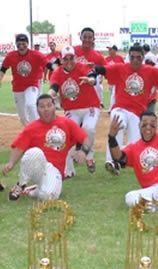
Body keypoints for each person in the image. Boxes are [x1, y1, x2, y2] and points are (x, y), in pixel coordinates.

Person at [92, 44, 158, 175]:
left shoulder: (150, 71)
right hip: (120, 108)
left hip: (137, 113)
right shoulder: (120, 68)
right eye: (132, 57)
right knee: (118, 123)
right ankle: (111, 161)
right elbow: (102, 69)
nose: (135, 60)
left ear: (143, 57)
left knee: (136, 145)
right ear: (129, 56)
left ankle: (122, 161)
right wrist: (92, 71)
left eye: (138, 57)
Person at [2, 94, 90, 201]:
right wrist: (11, 163)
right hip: (37, 166)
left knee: (48, 197)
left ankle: (33, 191)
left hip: (55, 170)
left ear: (54, 106)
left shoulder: (66, 123)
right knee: (35, 152)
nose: (46, 109)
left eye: (49, 105)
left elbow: (85, 138)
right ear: (37, 110)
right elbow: (19, 147)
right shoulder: (31, 127)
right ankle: (21, 184)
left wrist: (84, 151)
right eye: (42, 106)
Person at [48, 46, 100, 176]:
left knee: (89, 128)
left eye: (71, 58)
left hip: (90, 107)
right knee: (67, 136)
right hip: (71, 110)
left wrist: (91, 80)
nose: (69, 61)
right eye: (66, 59)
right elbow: (54, 87)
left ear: (75, 58)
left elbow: (92, 75)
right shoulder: (57, 73)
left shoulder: (81, 67)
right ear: (61, 60)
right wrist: (49, 95)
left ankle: (88, 155)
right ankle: (68, 170)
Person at [0, 34, 48, 126]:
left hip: (32, 85)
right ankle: (29, 130)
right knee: (22, 117)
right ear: (16, 44)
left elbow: (49, 65)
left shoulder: (36, 55)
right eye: (19, 44)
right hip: (17, 88)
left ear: (28, 44)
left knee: (31, 105)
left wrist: (59, 67)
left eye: (24, 44)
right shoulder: (11, 56)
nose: (21, 46)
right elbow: (3, 69)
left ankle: (38, 128)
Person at [75, 28, 107, 106]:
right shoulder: (73, 51)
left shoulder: (98, 56)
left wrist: (95, 67)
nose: (87, 40)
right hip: (76, 88)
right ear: (80, 38)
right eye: (85, 37)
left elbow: (108, 70)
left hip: (91, 90)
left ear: (93, 39)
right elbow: (60, 62)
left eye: (90, 38)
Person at [104, 45, 125, 111]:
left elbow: (124, 68)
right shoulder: (107, 59)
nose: (109, 51)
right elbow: (104, 69)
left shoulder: (120, 58)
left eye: (110, 49)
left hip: (118, 80)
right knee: (112, 94)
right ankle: (115, 107)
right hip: (110, 80)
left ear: (115, 50)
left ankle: (112, 109)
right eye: (109, 50)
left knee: (114, 94)